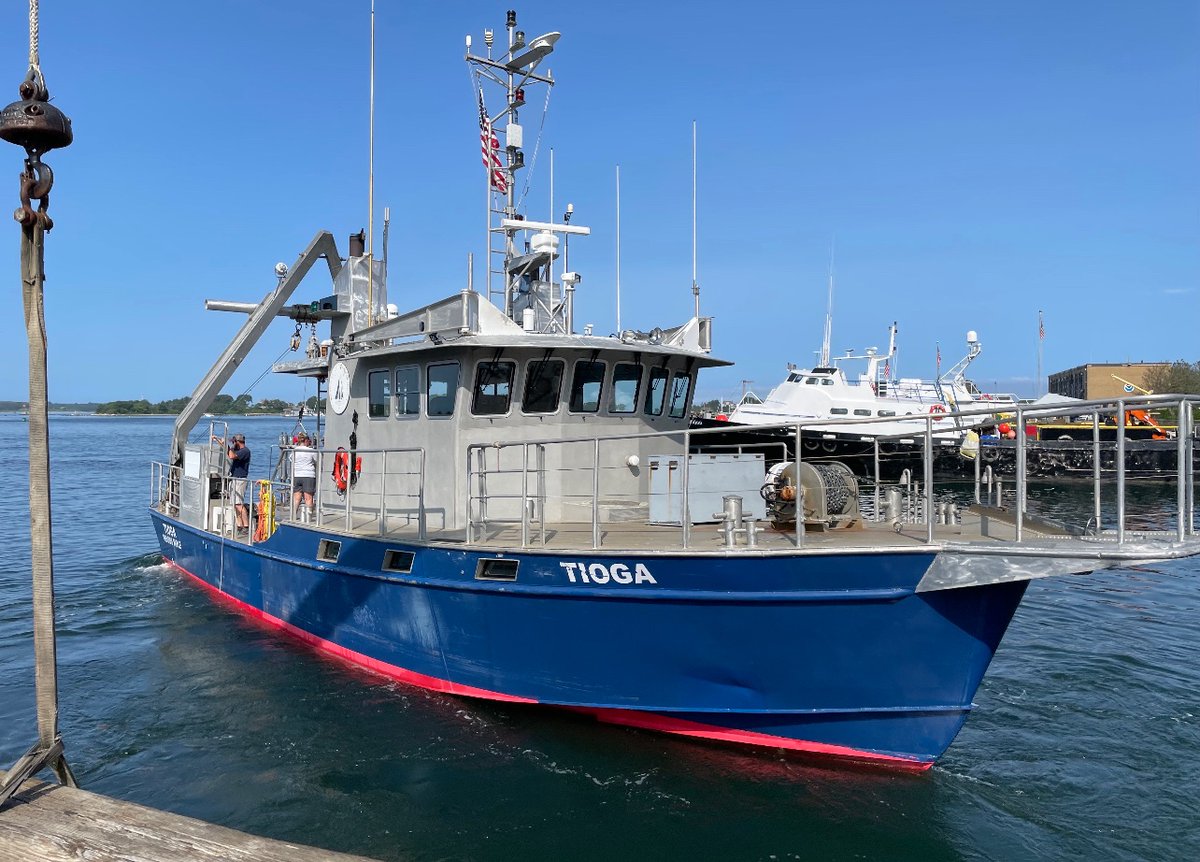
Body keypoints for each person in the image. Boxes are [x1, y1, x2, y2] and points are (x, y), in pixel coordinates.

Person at [213, 432, 251, 534]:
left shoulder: (245, 451)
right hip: (234, 479)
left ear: (238, 442)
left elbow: (231, 456)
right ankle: (239, 525)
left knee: (239, 504)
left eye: (234, 442)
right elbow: (228, 452)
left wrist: (226, 445)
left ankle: (246, 526)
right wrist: (218, 441)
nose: (233, 444)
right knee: (234, 504)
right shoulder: (237, 450)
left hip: (240, 479)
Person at [291, 433, 318, 520]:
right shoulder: (311, 451)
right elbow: (317, 461)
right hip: (308, 475)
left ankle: (293, 516)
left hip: (297, 475)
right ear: (306, 440)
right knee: (308, 498)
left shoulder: (294, 451)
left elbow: (291, 459)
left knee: (296, 498)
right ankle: (309, 518)